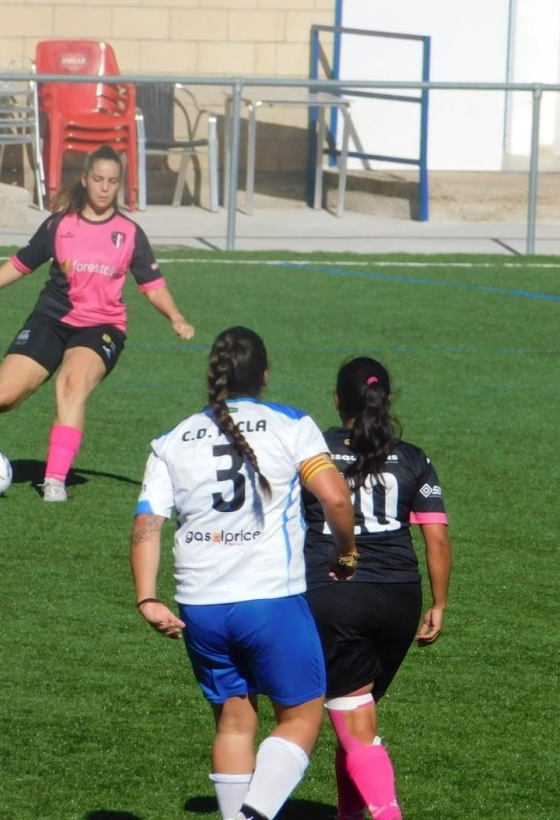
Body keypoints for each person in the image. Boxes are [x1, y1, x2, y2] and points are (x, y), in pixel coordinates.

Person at [130, 326, 358, 820]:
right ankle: (256, 814)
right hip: (270, 600)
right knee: (301, 718)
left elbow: (147, 523)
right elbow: (336, 498)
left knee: (234, 725)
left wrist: (148, 597)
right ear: (265, 375)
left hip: (200, 606)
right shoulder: (291, 424)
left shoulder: (172, 440)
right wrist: (347, 552)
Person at [0, 145, 194, 502]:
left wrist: (175, 317)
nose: (105, 187)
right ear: (85, 179)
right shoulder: (59, 225)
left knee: (71, 383)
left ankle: (54, 480)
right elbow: (21, 263)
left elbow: (152, 285)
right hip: (52, 318)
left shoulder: (129, 233)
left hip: (102, 327)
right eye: (98, 179)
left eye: (112, 181)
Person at [302, 357, 452, 820]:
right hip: (401, 599)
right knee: (356, 711)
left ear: (336, 400)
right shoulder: (414, 458)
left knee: (355, 721)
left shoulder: (314, 449)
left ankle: (387, 814)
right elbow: (437, 538)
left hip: (338, 591)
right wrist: (439, 604)